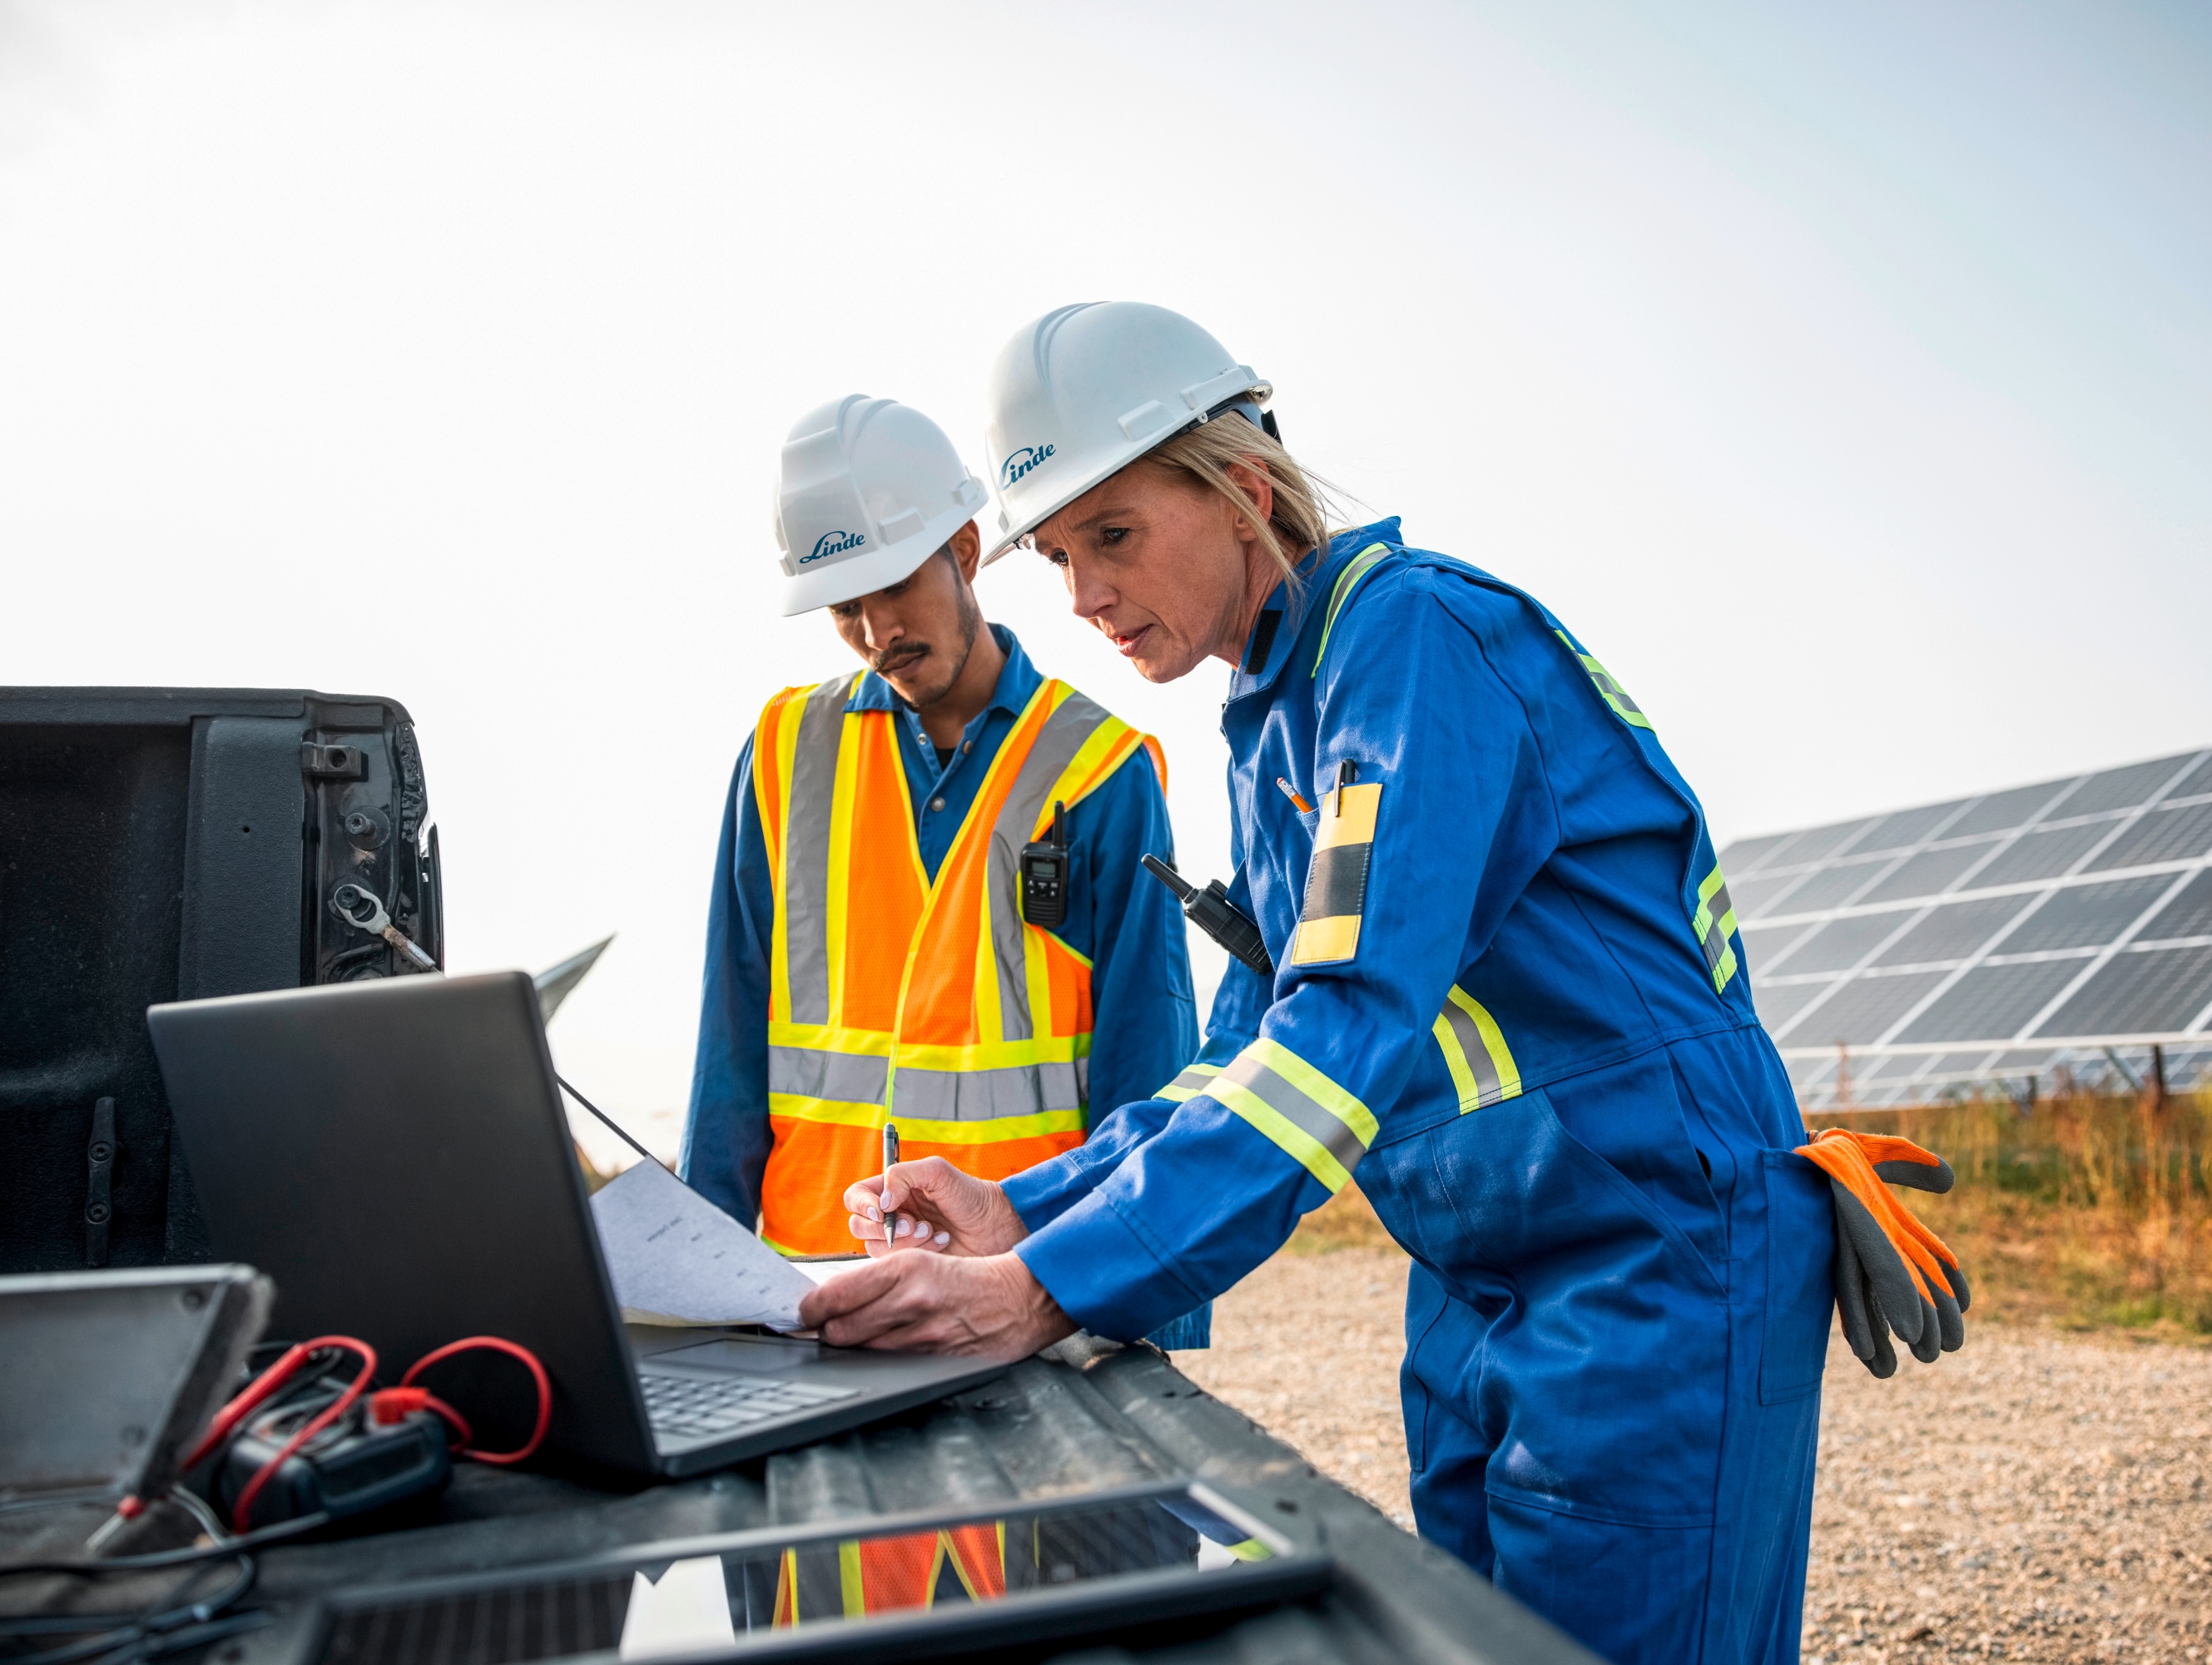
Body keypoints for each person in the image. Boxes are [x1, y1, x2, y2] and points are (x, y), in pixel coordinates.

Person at [797, 311, 1967, 1663]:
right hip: (1482, 1276)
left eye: (1111, 535)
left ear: (1240, 487)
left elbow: (1345, 1030)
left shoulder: (1411, 648)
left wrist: (1051, 1286)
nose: (1081, 596)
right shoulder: (1275, 726)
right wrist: (1019, 1204)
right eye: (1058, 557)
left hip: (1656, 1260)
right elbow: (1246, 1059)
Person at [682, 392, 1208, 1350]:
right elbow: (730, 1041)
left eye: (895, 586)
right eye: (846, 607)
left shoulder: (1099, 769)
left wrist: (1141, 1329)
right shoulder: (783, 752)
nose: (878, 629)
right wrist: (696, 1289)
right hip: (817, 1288)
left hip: (1023, 1295)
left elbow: (1148, 1061)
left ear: (965, 550)